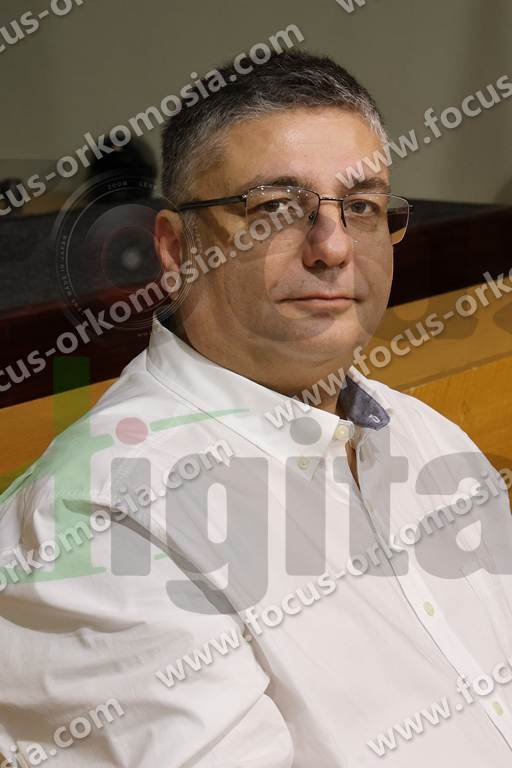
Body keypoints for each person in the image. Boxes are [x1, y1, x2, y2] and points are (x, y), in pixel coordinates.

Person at [1, 50, 512, 767]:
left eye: (362, 206)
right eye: (275, 208)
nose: (333, 247)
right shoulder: (97, 522)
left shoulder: (426, 435)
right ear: (175, 249)